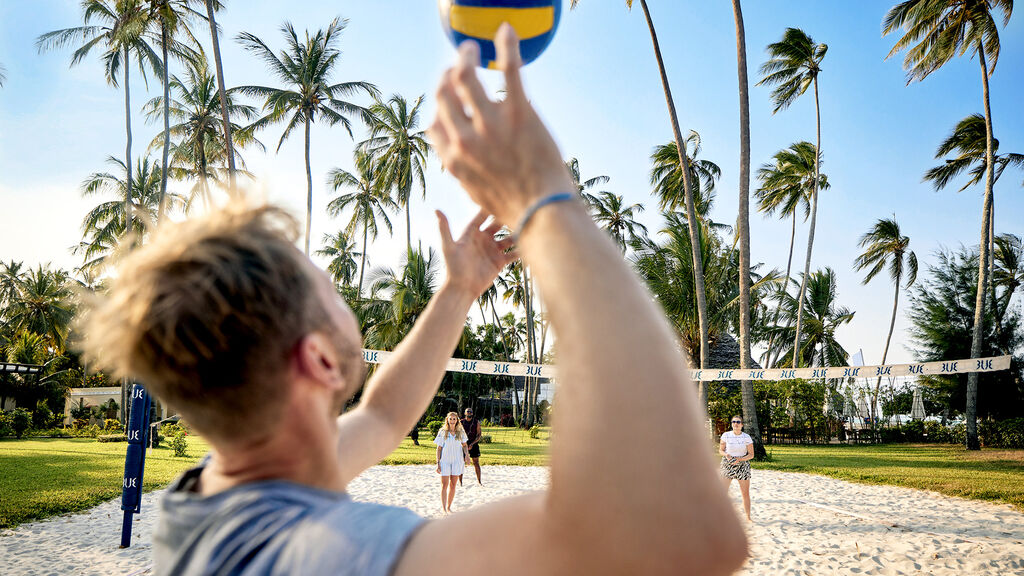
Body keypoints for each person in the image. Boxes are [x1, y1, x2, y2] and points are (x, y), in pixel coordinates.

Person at [81, 25, 746, 576]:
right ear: (316, 360)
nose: (344, 297)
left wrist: (457, 291)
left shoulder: (213, 497)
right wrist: (547, 200)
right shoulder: (326, 556)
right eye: (331, 290)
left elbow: (382, 417)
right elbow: (680, 537)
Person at [719, 415, 754, 521]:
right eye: (734, 422)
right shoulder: (726, 435)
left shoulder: (746, 437)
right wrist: (726, 455)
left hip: (742, 465)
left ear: (742, 425)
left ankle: (748, 517)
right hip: (727, 464)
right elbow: (720, 450)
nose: (736, 424)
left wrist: (740, 459)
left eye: (738, 422)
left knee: (745, 493)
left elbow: (751, 454)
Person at [435, 411, 470, 513]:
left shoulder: (461, 432)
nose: (452, 421)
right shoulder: (442, 432)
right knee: (444, 485)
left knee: (453, 485)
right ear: (447, 420)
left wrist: (467, 456)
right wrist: (438, 463)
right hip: (445, 461)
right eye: (450, 419)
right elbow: (439, 448)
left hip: (457, 461)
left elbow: (464, 445)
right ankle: (444, 508)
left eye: (454, 419)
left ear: (457, 420)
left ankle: (449, 507)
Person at [460, 407, 483, 485]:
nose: (469, 413)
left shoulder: (476, 422)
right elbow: (458, 434)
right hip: (463, 444)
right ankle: (460, 483)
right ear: (465, 413)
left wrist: (472, 444)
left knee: (476, 463)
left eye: (470, 412)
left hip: (474, 444)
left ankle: (479, 482)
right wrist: (464, 444)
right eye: (467, 412)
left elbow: (479, 435)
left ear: (472, 413)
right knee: (461, 463)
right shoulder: (461, 422)